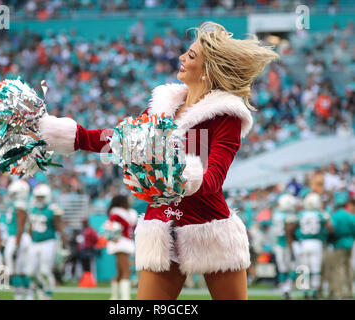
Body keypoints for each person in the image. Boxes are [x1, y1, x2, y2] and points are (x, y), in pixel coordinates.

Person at [38, 21, 279, 299]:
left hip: (210, 226)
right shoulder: (162, 108)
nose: (181, 58)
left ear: (208, 69)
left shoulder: (226, 116)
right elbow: (119, 140)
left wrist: (175, 176)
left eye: (191, 55)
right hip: (162, 226)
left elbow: (213, 180)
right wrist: (74, 136)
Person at [26, 184, 68, 300]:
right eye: (38, 197)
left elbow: (58, 226)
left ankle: (48, 295)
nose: (39, 199)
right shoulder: (33, 209)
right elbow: (30, 228)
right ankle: (42, 287)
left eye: (41, 197)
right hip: (34, 242)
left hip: (48, 242)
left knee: (44, 270)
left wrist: (64, 242)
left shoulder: (52, 209)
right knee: (30, 272)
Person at [290, 192, 334, 299]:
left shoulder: (300, 214)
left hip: (303, 243)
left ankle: (305, 292)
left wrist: (296, 238)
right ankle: (314, 291)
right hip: (316, 243)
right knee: (315, 269)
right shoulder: (321, 214)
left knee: (304, 268)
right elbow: (330, 229)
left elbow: (291, 228)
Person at [4, 179, 32, 300]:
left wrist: (16, 243)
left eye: (14, 193)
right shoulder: (15, 205)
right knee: (16, 269)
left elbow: (20, 225)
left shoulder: (20, 205)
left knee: (19, 269)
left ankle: (26, 294)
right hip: (16, 237)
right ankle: (21, 294)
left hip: (18, 237)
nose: (12, 196)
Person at [106, 195, 138, 300]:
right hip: (120, 243)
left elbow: (133, 228)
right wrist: (113, 238)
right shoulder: (116, 212)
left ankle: (114, 297)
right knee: (126, 271)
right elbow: (111, 226)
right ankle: (125, 298)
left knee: (120, 273)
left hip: (127, 242)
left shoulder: (131, 213)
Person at [271, 193, 297, 299]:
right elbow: (289, 232)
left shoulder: (276, 214)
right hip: (286, 243)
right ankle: (287, 289)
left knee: (282, 269)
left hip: (277, 244)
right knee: (294, 267)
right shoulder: (289, 216)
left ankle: (284, 290)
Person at [329, 197, 355, 299]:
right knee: (348, 267)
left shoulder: (336, 216)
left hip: (339, 243)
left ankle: (339, 291)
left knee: (339, 268)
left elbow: (332, 229)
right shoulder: (350, 216)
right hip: (350, 243)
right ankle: (348, 291)